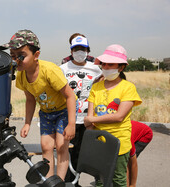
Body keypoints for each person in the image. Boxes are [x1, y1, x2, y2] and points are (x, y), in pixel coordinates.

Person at [0, 29, 77, 180]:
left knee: (61, 146)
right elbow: (30, 99)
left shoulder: (49, 71)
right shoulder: (21, 76)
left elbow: (70, 96)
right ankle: (49, 181)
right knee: (46, 146)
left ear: (36, 55)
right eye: (13, 56)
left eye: (21, 56)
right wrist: (27, 123)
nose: (16, 60)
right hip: (47, 113)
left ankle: (59, 182)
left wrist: (72, 123)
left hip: (63, 112)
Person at [84, 44, 142, 187]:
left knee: (118, 180)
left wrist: (92, 120)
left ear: (121, 67)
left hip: (119, 143)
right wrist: (91, 138)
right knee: (99, 179)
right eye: (104, 64)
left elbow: (119, 116)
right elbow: (89, 120)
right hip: (99, 142)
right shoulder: (96, 87)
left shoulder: (128, 88)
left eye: (110, 64)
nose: (106, 67)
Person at [60, 33, 102, 186]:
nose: (79, 52)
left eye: (83, 48)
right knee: (69, 155)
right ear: (71, 51)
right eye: (76, 49)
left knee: (88, 154)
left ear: (88, 50)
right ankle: (71, 183)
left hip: (89, 120)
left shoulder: (96, 69)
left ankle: (98, 182)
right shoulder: (62, 69)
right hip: (69, 120)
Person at [127, 121, 153, 187]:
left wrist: (132, 185)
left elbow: (133, 163)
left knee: (126, 163)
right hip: (133, 130)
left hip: (145, 134)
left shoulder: (127, 141)